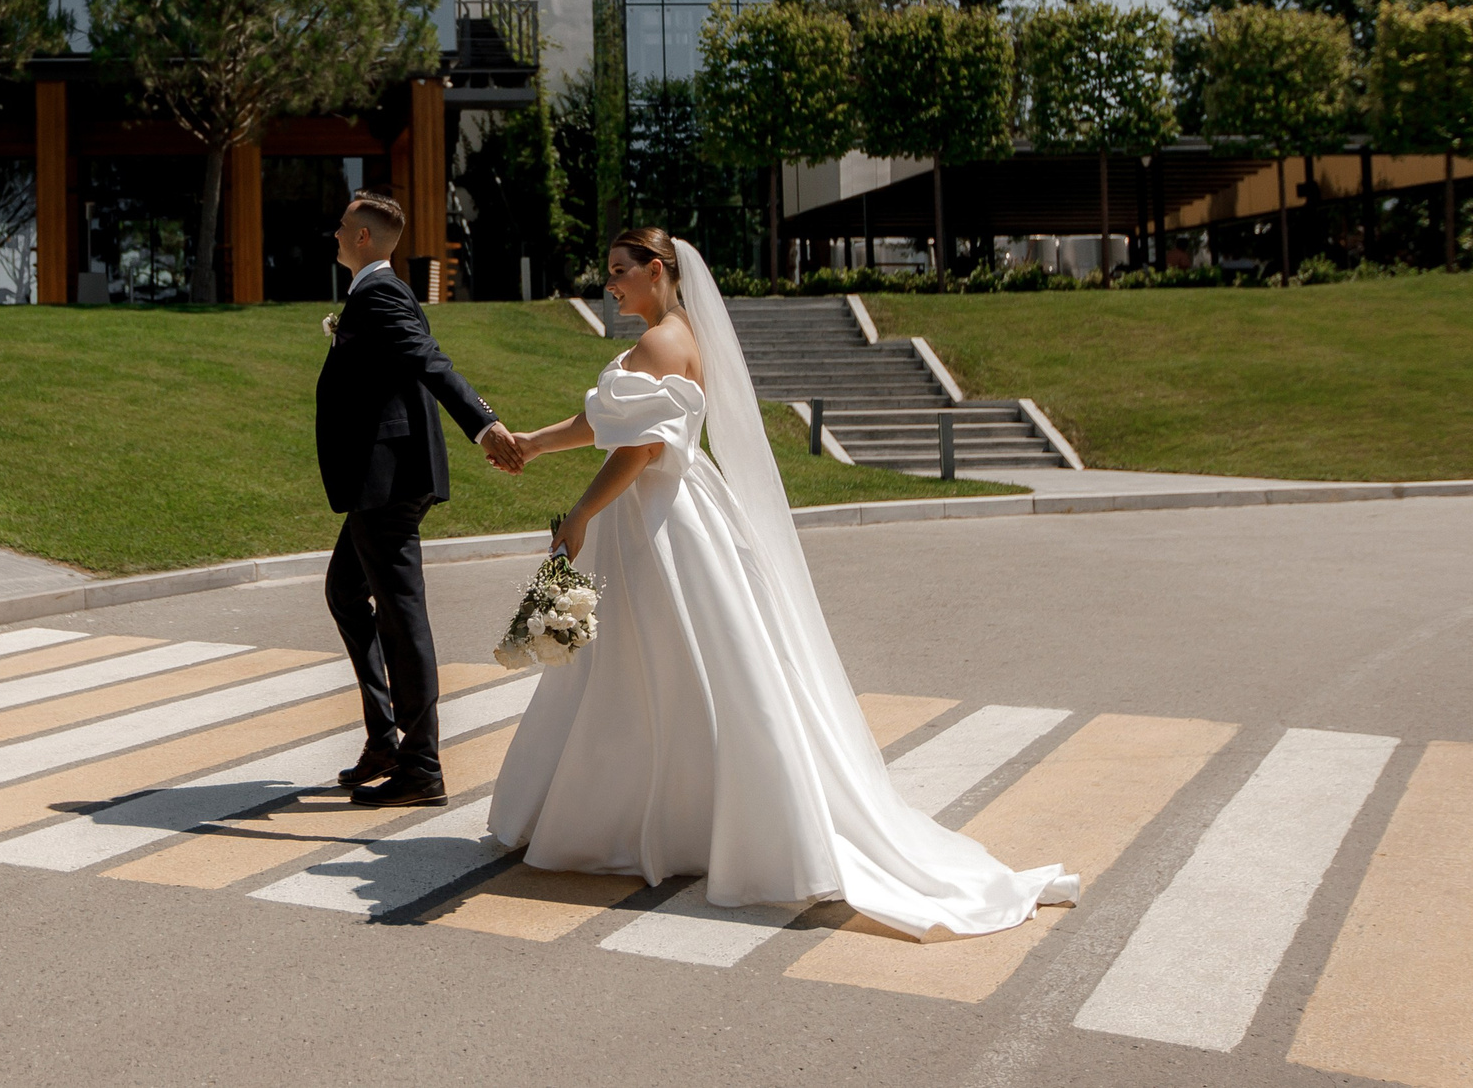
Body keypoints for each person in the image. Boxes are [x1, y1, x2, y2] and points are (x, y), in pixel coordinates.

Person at [487, 228, 1079, 941]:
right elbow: (605, 422)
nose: (608, 284)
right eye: (607, 272)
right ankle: (681, 815)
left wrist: (582, 511)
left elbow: (643, 448)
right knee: (681, 671)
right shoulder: (676, 336)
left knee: (655, 673)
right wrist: (532, 442)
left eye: (619, 272)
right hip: (665, 516)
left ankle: (658, 819)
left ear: (656, 270)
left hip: (655, 520)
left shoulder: (659, 345)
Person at [317, 192, 524, 807]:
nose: (334, 234)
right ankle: (385, 737)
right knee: (345, 592)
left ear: (362, 239)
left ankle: (421, 763)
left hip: (389, 482)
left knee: (402, 616)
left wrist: (485, 425)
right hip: (379, 481)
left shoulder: (379, 294)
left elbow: (431, 361)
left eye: (342, 227)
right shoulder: (373, 292)